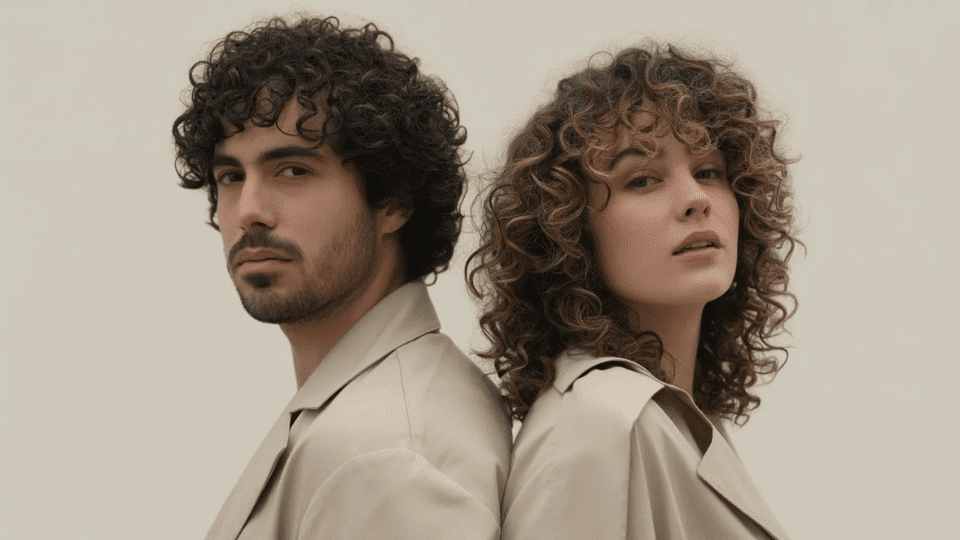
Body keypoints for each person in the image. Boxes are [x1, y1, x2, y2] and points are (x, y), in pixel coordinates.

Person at [173, 15, 511, 540]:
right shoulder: (365, 411)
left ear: (393, 202)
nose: (249, 212)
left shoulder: (388, 453)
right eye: (232, 176)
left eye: (293, 170)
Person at [469, 44, 798, 539]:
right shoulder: (598, 424)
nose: (695, 199)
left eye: (709, 171)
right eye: (642, 180)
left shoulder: (666, 416)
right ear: (568, 231)